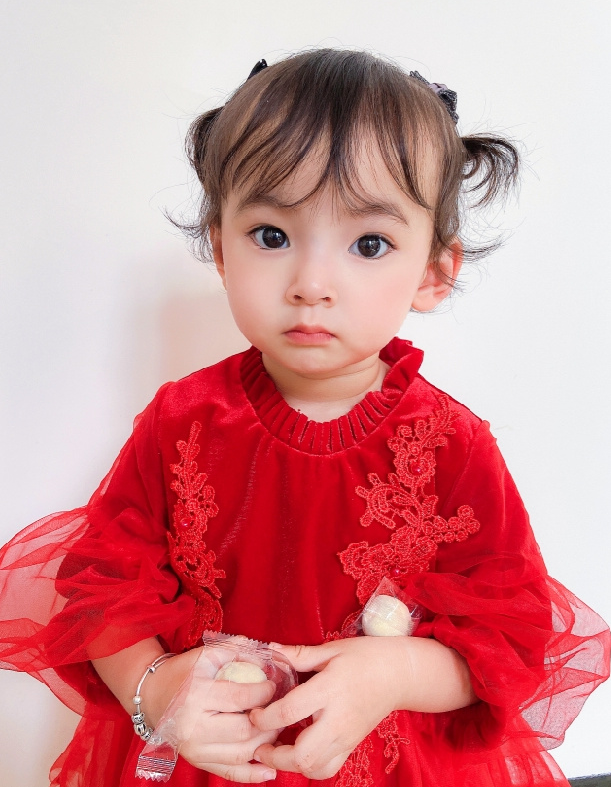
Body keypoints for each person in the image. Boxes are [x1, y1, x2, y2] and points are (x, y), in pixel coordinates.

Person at [0, 48, 609, 787]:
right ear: (220, 247)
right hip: (211, 760)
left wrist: (393, 672)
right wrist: (155, 689)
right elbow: (101, 588)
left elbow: (508, 640)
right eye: (272, 236)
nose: (311, 283)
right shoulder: (183, 420)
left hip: (388, 765)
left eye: (369, 244)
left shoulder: (452, 444)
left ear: (432, 272)